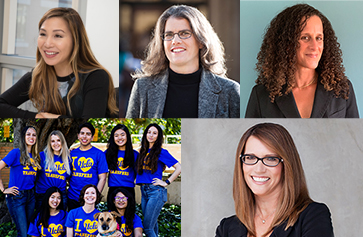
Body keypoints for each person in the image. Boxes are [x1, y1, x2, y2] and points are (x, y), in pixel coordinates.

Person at [216, 123, 334, 237]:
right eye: (250, 157)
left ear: (287, 164)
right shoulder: (226, 228)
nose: (259, 169)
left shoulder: (313, 216)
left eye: (270, 159)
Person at [0, 7, 118, 118]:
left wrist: (56, 119)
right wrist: (36, 117)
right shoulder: (37, 76)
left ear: (76, 41)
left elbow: (87, 125)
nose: (47, 43)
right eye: (43, 34)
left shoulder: (96, 77)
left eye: (58, 35)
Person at [245, 4, 359, 118]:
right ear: (287, 43)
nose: (315, 47)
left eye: (318, 38)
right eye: (305, 37)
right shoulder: (261, 95)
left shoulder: (343, 89)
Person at [126, 5, 240, 118]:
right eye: (169, 35)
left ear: (201, 41)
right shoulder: (143, 87)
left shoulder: (230, 91)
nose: (175, 41)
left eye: (184, 33)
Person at [136, 123, 181, 237]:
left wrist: (166, 182)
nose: (151, 135)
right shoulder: (141, 151)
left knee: (147, 228)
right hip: (144, 191)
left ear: (158, 136)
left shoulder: (161, 152)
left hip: (156, 191)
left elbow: (179, 167)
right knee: (153, 226)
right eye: (149, 132)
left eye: (154, 133)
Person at [0, 126, 41, 237]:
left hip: (31, 196)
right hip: (17, 196)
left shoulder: (36, 157)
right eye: (28, 134)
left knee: (28, 231)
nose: (31, 137)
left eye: (34, 135)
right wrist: (3, 189)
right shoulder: (15, 153)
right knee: (22, 233)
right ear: (23, 137)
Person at [67, 123, 108, 211]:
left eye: (88, 134)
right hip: (72, 196)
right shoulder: (71, 153)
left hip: (90, 199)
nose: (84, 136)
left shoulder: (99, 154)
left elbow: (102, 178)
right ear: (78, 136)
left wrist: (95, 196)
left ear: (92, 137)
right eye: (82, 133)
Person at [35, 130, 71, 211]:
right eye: (53, 141)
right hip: (43, 194)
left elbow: (68, 177)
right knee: (42, 221)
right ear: (49, 143)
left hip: (60, 196)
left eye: (58, 140)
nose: (56, 143)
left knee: (59, 222)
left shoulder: (67, 158)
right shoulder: (42, 156)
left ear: (62, 142)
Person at [105, 124, 138, 200]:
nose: (119, 138)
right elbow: (95, 159)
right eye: (116, 135)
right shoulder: (108, 153)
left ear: (127, 136)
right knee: (112, 212)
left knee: (129, 212)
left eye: (122, 135)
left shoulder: (135, 154)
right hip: (113, 188)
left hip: (128, 189)